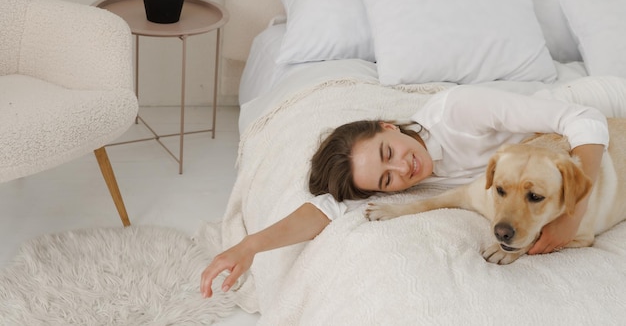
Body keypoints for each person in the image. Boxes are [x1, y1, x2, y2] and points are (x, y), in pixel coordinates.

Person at [200, 85, 608, 298]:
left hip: (593, 103)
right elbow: (325, 209)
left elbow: (584, 119)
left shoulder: (459, 110)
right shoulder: (417, 177)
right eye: (387, 179)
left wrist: (571, 214)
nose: (403, 168)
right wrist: (249, 245)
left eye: (388, 151)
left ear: (389, 126)